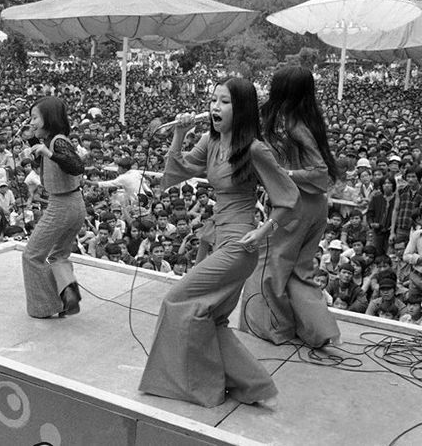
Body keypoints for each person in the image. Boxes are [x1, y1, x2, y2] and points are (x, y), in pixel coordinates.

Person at [139, 78, 299, 408]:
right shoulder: (210, 140)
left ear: (240, 109)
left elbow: (288, 197)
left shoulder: (254, 149)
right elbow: (177, 172)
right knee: (212, 318)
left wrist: (264, 231)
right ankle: (254, 384)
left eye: (223, 102)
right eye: (213, 100)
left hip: (239, 243)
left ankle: (200, 384)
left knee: (176, 299)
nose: (214, 107)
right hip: (216, 235)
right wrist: (179, 134)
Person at [240, 66, 341, 348]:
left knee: (269, 267)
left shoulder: (293, 127)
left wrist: (283, 174)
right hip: (315, 208)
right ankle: (319, 332)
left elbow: (319, 172)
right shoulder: (308, 122)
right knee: (300, 271)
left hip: (293, 207)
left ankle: (274, 329)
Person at [21, 97, 86, 318]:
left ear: (48, 118)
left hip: (61, 206)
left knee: (32, 255)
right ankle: (68, 293)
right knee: (59, 255)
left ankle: (47, 305)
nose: (31, 122)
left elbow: (76, 166)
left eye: (34, 117)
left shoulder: (58, 142)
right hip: (75, 204)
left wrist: (47, 152)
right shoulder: (54, 141)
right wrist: (32, 142)